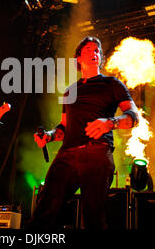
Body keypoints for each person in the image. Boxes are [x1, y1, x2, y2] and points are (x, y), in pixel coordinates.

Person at [29, 36, 139, 229]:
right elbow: (63, 127)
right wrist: (49, 136)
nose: (94, 53)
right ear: (78, 58)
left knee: (93, 215)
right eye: (88, 50)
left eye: (97, 50)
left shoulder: (112, 84)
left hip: (97, 152)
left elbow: (133, 116)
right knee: (44, 211)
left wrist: (111, 123)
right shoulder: (70, 91)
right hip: (67, 154)